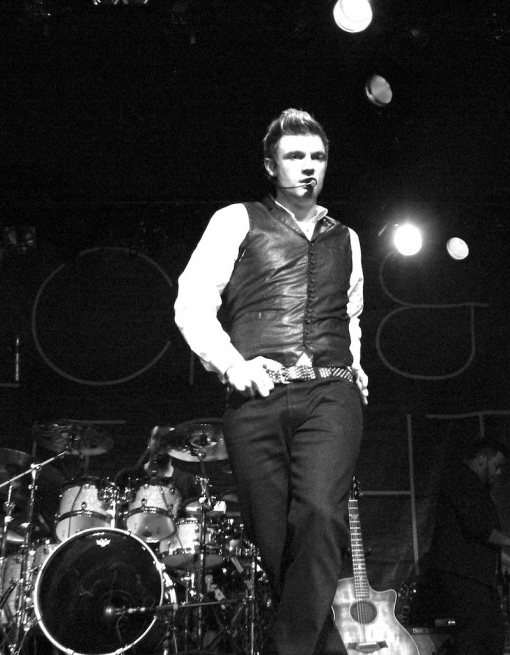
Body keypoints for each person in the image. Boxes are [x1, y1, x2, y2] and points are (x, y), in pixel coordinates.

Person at [174, 108, 368, 655]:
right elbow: (192, 302)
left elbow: (351, 315)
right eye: (295, 156)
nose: (308, 167)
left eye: (318, 157)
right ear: (270, 165)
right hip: (255, 398)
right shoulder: (236, 219)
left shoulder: (347, 238)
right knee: (275, 541)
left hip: (330, 392)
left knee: (321, 514)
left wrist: (356, 368)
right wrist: (233, 364)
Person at [426, 437, 510, 655]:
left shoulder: (476, 486)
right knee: (475, 638)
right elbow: (479, 527)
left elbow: (479, 542)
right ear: (482, 458)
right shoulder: (461, 479)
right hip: (462, 576)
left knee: (492, 636)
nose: (499, 473)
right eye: (497, 465)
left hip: (475, 577)